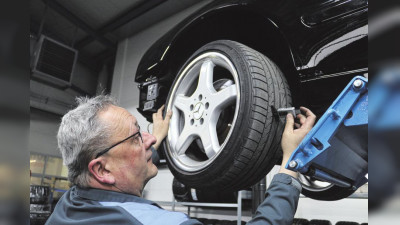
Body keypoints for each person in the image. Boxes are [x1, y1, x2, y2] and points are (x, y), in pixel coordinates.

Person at [46, 95, 316, 225]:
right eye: (136, 138)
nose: (150, 140)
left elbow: (128, 161)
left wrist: (158, 136)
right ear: (102, 169)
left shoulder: (68, 206)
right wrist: (290, 162)